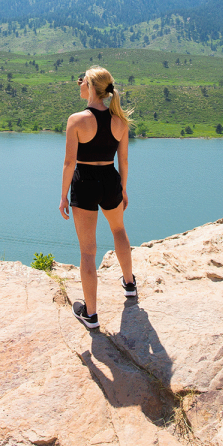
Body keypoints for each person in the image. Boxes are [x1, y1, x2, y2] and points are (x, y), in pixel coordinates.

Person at [59, 66, 136, 329]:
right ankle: (129, 284)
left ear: (91, 87)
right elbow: (123, 160)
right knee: (119, 230)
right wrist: (123, 188)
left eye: (81, 80)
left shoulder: (76, 120)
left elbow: (69, 163)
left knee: (87, 252)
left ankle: (90, 314)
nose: (78, 84)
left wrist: (62, 197)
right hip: (110, 178)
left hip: (85, 183)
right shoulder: (120, 120)